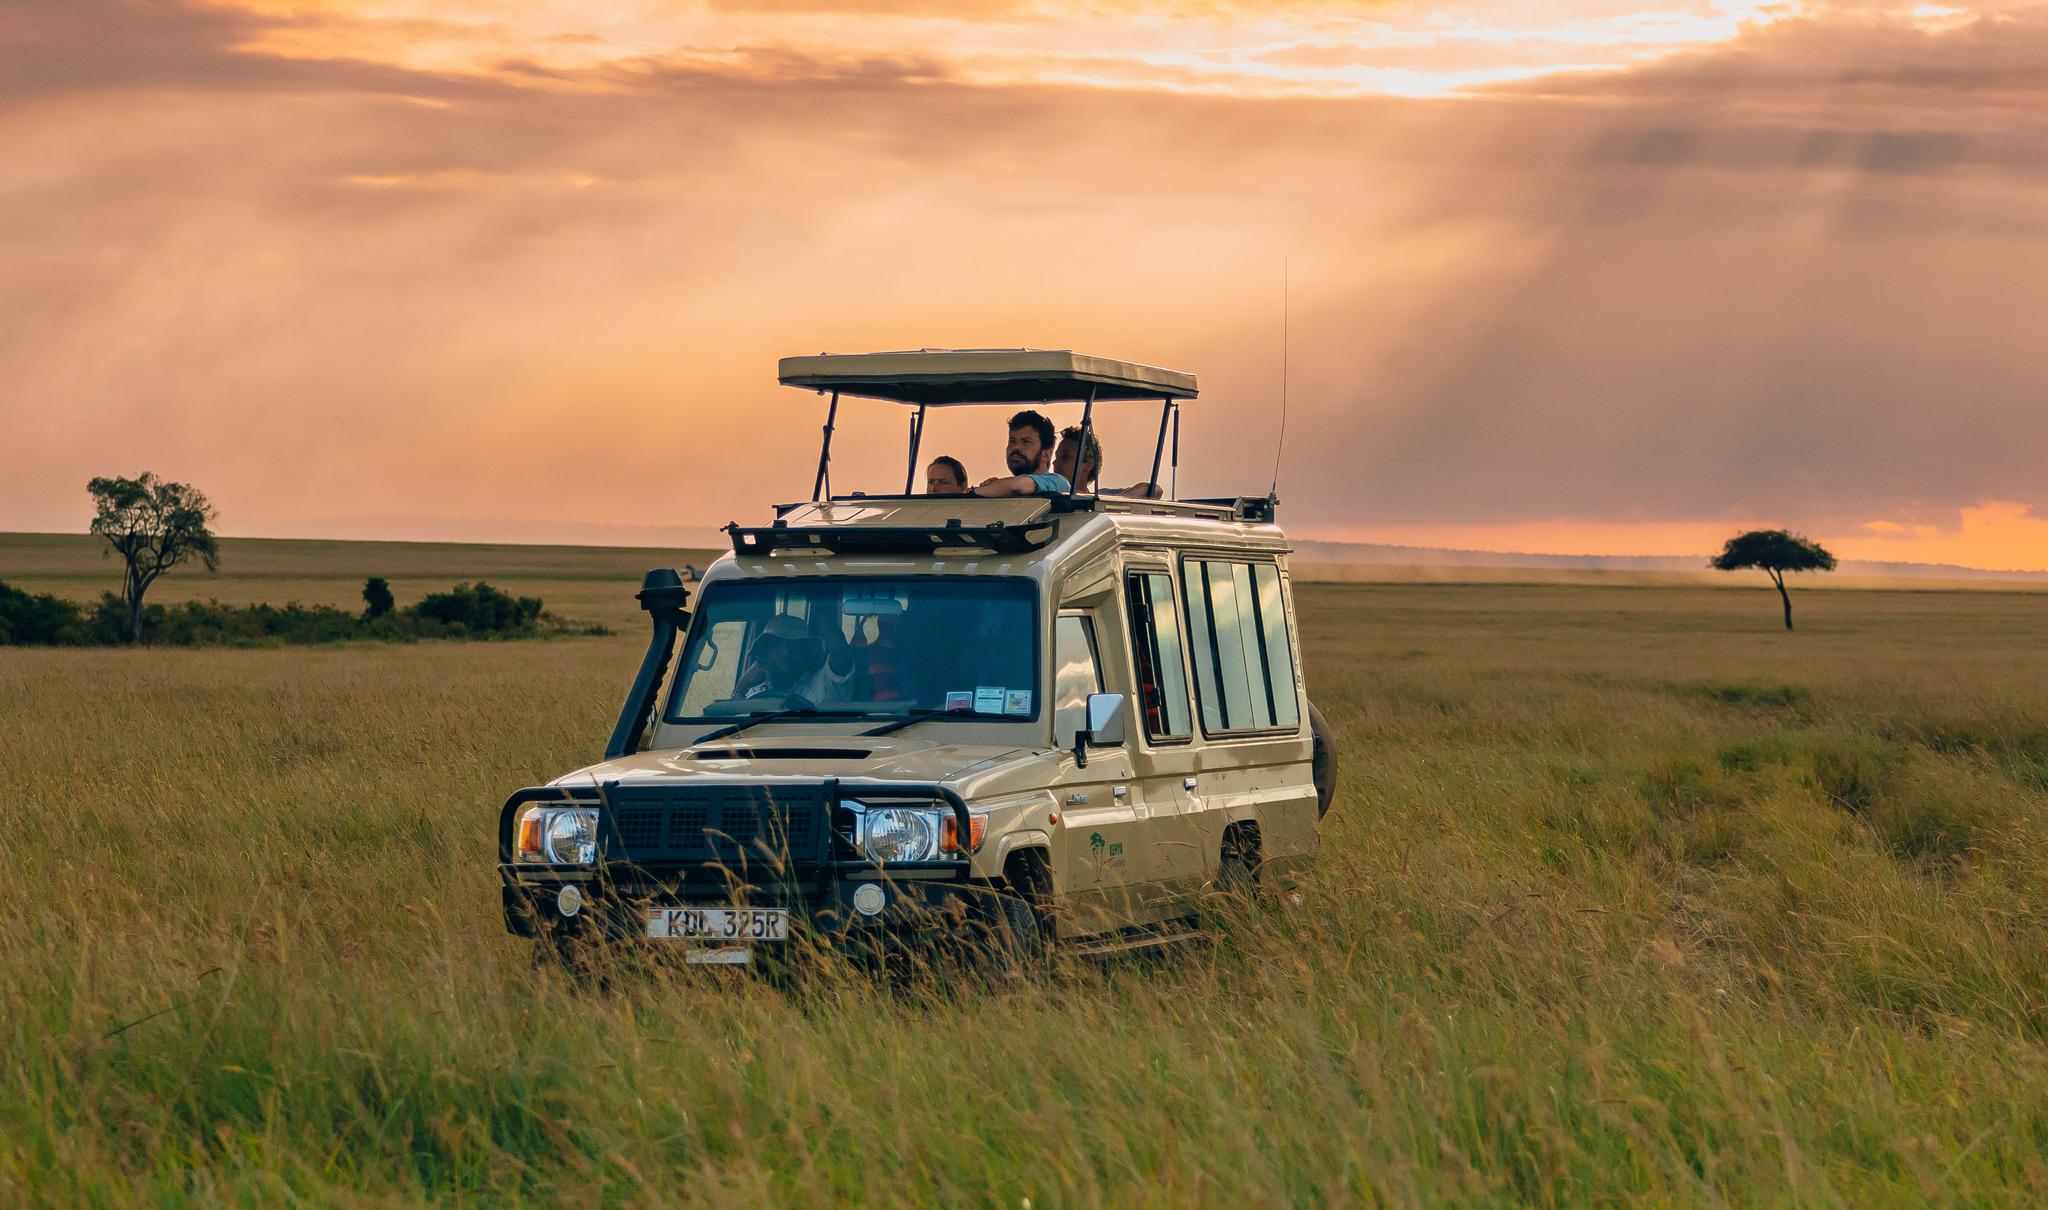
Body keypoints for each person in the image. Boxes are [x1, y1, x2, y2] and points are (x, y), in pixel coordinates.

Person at [734, 614, 857, 705]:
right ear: (766, 652)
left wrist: (820, 599)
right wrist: (741, 687)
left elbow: (840, 652)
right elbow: (735, 724)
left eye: (794, 645)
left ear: (806, 652)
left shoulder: (826, 683)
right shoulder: (754, 690)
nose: (786, 652)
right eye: (777, 644)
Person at [972, 410, 1070, 497]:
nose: (1016, 447)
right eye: (1012, 441)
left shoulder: (1058, 483)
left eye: (1026, 442)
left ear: (1045, 454)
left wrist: (974, 492)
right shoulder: (1010, 488)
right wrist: (997, 487)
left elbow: (1017, 485)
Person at [1053, 424, 1164, 499]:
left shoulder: (1101, 497)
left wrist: (1115, 502)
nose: (1055, 463)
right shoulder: (1049, 497)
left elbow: (1155, 490)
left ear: (1088, 464)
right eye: (1056, 457)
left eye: (1064, 457)